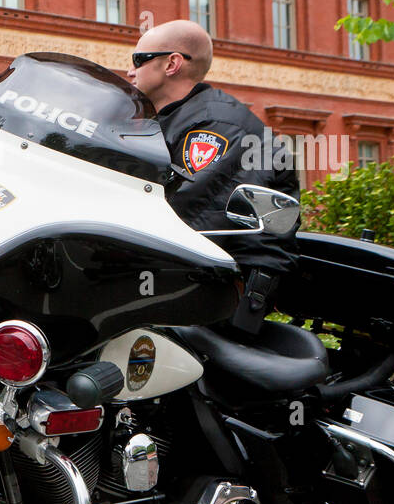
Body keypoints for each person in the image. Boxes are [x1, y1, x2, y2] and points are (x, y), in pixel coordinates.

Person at [126, 19, 298, 332]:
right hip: (187, 277)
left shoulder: (217, 126)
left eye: (139, 59)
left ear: (172, 63)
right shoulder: (170, 119)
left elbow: (187, 210)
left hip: (223, 293)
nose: (130, 71)